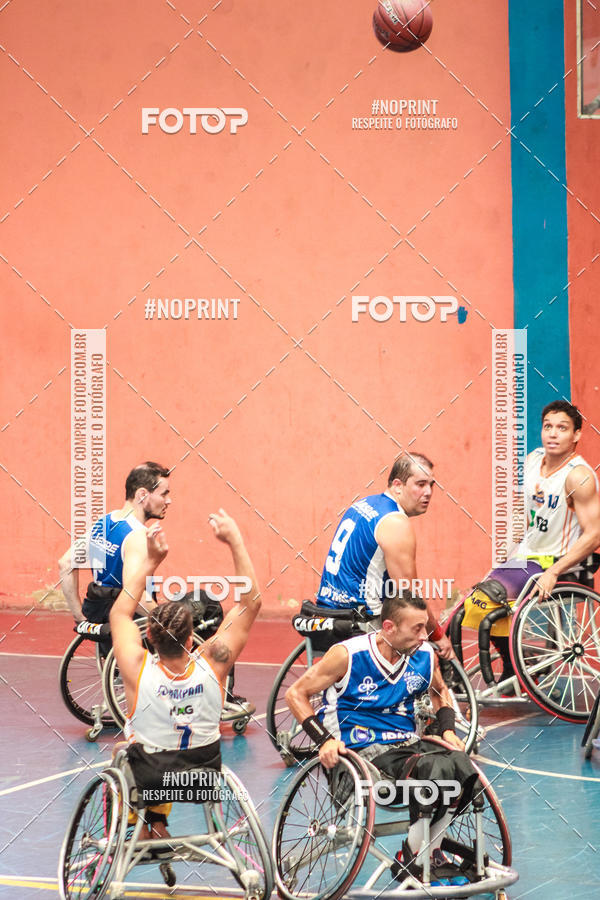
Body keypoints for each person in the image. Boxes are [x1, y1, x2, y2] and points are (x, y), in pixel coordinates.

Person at [285, 591, 479, 887]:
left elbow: (439, 692)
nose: (424, 635)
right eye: (416, 628)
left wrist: (448, 729)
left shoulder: (424, 655)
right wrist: (323, 740)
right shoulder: (348, 655)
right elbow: (295, 693)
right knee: (433, 771)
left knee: (460, 765)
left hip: (406, 747)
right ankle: (416, 857)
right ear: (389, 627)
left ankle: (427, 851)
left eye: (425, 627)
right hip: (359, 753)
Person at [109, 508, 261, 840]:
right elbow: (251, 603)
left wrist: (151, 563)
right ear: (193, 639)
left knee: (126, 750)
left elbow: (120, 611)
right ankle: (158, 822)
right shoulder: (214, 663)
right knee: (161, 748)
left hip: (150, 777)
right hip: (202, 778)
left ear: (148, 637)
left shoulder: (137, 668)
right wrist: (235, 540)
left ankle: (140, 827)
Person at [461, 400, 600, 682]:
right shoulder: (533, 460)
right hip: (527, 557)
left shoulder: (579, 476)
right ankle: (521, 663)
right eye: (548, 426)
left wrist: (553, 572)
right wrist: (504, 553)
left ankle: (517, 666)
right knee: (470, 603)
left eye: (562, 428)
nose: (553, 433)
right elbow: (522, 515)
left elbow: (595, 535)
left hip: (556, 561)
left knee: (485, 602)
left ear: (576, 435)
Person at [315, 452, 453, 658]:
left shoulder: (362, 504)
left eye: (431, 485)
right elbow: (408, 594)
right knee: (427, 652)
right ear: (398, 485)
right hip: (361, 623)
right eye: (420, 484)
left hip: (325, 612)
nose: (428, 492)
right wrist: (437, 634)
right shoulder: (395, 522)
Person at [58, 461, 171, 627]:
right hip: (128, 624)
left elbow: (65, 563)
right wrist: (165, 623)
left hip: (98, 615)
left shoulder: (103, 522)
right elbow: (134, 595)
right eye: (164, 494)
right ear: (142, 495)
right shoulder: (137, 536)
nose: (169, 501)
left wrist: (80, 619)